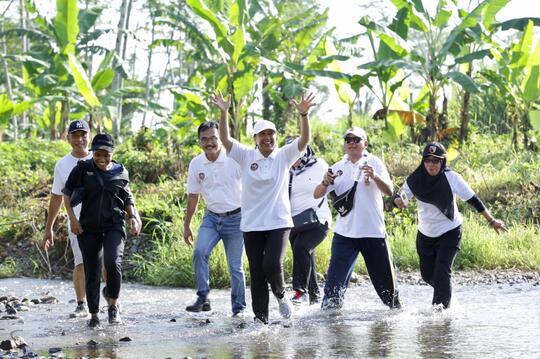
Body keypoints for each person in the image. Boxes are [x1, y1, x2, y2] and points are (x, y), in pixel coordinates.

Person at [214, 91, 315, 324]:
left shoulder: (283, 156)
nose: (267, 138)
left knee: (271, 264)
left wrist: (303, 114)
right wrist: (223, 111)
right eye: (262, 134)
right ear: (255, 138)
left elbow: (304, 140)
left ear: (276, 137)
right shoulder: (246, 155)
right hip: (251, 224)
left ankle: (280, 296)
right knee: (257, 272)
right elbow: (226, 140)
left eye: (271, 134)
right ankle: (261, 319)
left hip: (278, 222)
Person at [394, 142, 507, 309]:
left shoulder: (452, 178)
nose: (431, 165)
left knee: (442, 273)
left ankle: (440, 317)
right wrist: (398, 202)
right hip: (425, 233)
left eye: (436, 161)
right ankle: (446, 295)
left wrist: (491, 220)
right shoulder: (415, 178)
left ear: (442, 162)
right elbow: (400, 197)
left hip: (450, 231)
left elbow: (473, 200)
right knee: (427, 275)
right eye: (428, 160)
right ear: (423, 161)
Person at [314, 127, 401, 310]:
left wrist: (374, 176)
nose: (352, 143)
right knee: (333, 286)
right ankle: (331, 322)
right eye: (348, 140)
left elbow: (389, 191)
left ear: (365, 143)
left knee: (388, 288)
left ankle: (395, 316)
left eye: (356, 139)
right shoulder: (337, 167)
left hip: (373, 232)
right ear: (344, 145)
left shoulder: (374, 163)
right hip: (345, 234)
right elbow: (317, 194)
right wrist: (325, 182)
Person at [63, 133, 141, 327]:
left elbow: (127, 197)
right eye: (97, 154)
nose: (101, 159)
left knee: (113, 263)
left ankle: (113, 307)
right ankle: (94, 314)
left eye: (106, 155)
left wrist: (132, 216)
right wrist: (73, 220)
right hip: (88, 227)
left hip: (114, 225)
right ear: (92, 153)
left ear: (112, 153)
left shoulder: (121, 171)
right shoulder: (82, 169)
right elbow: (66, 194)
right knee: (92, 270)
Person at [183, 121, 246, 316]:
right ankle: (203, 297)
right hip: (211, 218)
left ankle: (239, 308)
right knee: (199, 252)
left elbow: (253, 186)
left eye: (213, 138)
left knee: (235, 266)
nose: (209, 142)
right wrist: (187, 225)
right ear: (199, 142)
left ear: (220, 138)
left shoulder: (234, 158)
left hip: (236, 219)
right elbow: (193, 196)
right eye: (204, 139)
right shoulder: (196, 163)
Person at [43, 120, 93, 318]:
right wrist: (49, 228)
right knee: (80, 263)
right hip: (76, 221)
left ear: (89, 135)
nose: (79, 139)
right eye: (75, 135)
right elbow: (56, 197)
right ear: (68, 138)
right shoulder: (62, 165)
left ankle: (111, 305)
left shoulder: (100, 157)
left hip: (102, 220)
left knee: (107, 263)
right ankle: (82, 304)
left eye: (83, 134)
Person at [286, 140, 331, 305]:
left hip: (318, 220)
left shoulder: (320, 165)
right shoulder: (285, 169)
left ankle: (299, 291)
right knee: (305, 256)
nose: (294, 157)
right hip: (294, 223)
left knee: (301, 246)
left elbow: (333, 187)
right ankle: (315, 298)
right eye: (290, 153)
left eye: (297, 152)